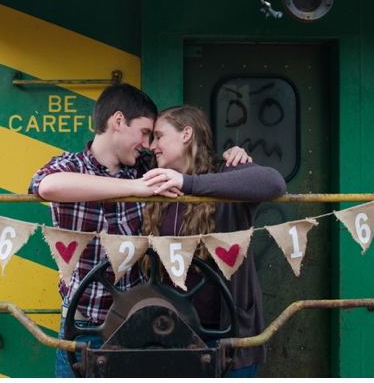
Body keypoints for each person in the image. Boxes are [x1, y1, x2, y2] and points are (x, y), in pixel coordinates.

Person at [29, 84, 248, 377]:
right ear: (118, 122)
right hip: (85, 327)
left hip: (141, 325)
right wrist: (135, 189)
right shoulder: (71, 165)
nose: (148, 144)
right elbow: (47, 186)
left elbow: (189, 161)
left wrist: (233, 154)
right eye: (145, 133)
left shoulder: (146, 166)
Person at [140, 105, 286, 378]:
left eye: (159, 136)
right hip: (169, 337)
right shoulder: (152, 180)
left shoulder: (228, 172)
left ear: (186, 134)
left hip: (226, 339)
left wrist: (188, 184)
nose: (152, 145)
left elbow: (274, 183)